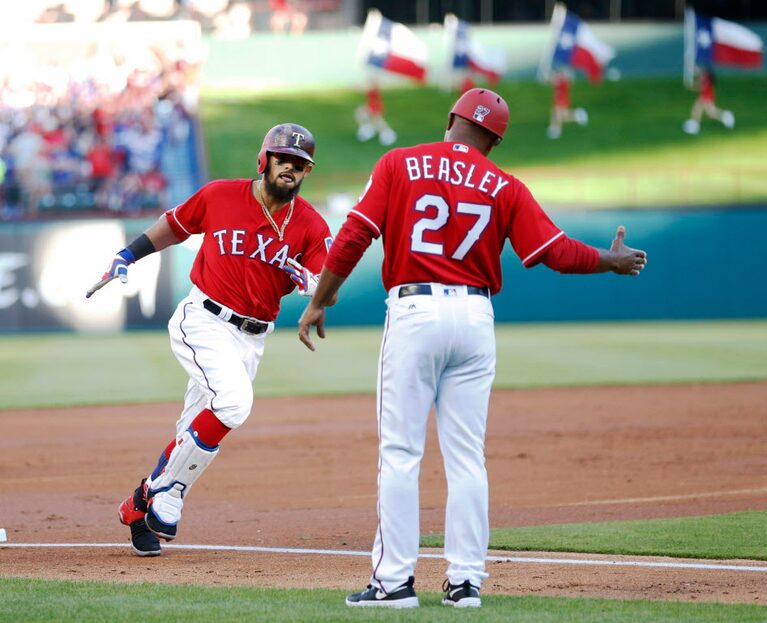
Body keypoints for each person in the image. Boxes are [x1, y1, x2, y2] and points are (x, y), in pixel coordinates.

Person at [297, 88, 647, 608]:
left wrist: (319, 300)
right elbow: (554, 252)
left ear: (450, 120)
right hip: (476, 316)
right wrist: (608, 260)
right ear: (495, 141)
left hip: (416, 309)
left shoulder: (400, 162)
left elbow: (354, 235)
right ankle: (465, 583)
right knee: (466, 457)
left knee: (400, 453)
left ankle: (393, 583)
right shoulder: (504, 184)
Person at [86, 123, 332, 557]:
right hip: (203, 320)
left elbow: (324, 281)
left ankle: (138, 505)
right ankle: (168, 492)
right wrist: (127, 254)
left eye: (300, 163)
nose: (290, 168)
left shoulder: (311, 224)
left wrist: (313, 284)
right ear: (264, 160)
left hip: (253, 338)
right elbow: (175, 225)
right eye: (283, 159)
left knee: (192, 432)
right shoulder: (221, 195)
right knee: (235, 403)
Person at [683, 67, 735, 135]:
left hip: (707, 97)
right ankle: (694, 126)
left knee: (710, 113)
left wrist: (690, 86)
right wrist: (693, 69)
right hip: (705, 96)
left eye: (704, 72)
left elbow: (699, 87)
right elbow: (698, 72)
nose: (701, 73)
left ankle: (727, 117)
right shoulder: (704, 77)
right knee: (697, 109)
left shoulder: (706, 80)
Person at [547, 70, 588, 139]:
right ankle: (555, 129)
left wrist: (548, 76)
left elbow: (552, 80)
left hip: (562, 99)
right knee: (556, 114)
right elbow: (551, 80)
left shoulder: (563, 80)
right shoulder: (560, 79)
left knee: (560, 115)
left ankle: (577, 115)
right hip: (559, 98)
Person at [355, 80, 397, 146]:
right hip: (372, 105)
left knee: (377, 120)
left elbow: (367, 91)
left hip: (375, 106)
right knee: (363, 115)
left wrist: (357, 87)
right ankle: (369, 130)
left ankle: (386, 134)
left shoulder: (374, 88)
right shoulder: (373, 87)